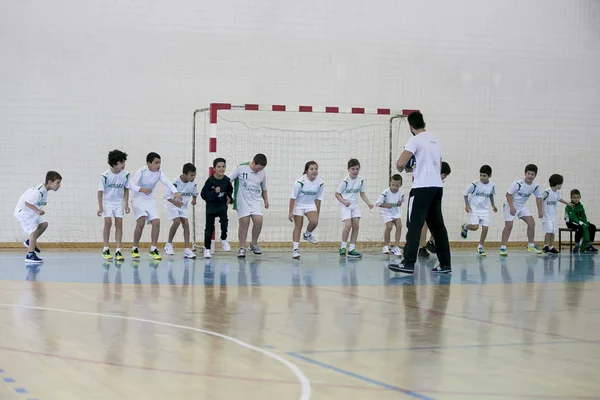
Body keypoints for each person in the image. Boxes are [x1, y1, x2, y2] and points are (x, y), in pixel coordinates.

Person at [388, 111, 451, 274]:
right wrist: (413, 166)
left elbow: (401, 164)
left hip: (421, 188)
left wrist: (402, 166)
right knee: (438, 227)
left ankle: (408, 262)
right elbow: (438, 163)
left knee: (414, 225)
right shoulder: (435, 140)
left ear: (410, 126)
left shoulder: (414, 140)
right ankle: (445, 264)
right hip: (437, 187)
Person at [129, 152, 182, 260]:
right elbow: (131, 184)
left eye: (159, 163)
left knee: (156, 222)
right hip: (137, 199)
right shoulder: (141, 171)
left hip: (149, 200)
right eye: (156, 163)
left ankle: (153, 249)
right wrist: (141, 189)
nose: (158, 165)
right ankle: (135, 248)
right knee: (141, 222)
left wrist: (175, 192)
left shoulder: (159, 173)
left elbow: (168, 183)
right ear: (149, 163)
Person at [15, 171, 62, 263]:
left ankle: (30, 242)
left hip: (31, 212)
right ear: (50, 182)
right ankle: (30, 255)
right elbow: (27, 202)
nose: (59, 185)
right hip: (24, 213)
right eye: (58, 182)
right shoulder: (38, 192)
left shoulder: (44, 190)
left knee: (44, 224)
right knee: (33, 231)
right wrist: (38, 210)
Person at [229, 153, 269, 258]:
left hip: (255, 201)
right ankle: (242, 248)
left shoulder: (262, 173)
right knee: (244, 223)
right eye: (258, 168)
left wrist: (266, 201)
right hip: (242, 201)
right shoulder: (240, 168)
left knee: (258, 221)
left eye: (261, 169)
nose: (258, 170)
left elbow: (264, 189)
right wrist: (227, 196)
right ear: (253, 162)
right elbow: (228, 181)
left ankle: (253, 244)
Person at [499, 164, 543, 256]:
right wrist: (511, 207)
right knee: (509, 226)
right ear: (525, 173)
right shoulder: (518, 183)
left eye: (532, 174)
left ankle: (531, 246)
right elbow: (508, 194)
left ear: (535, 175)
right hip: (509, 204)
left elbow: (539, 198)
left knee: (531, 222)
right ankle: (502, 248)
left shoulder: (536, 186)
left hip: (521, 206)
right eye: (528, 173)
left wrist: (540, 211)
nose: (530, 176)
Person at [335, 158, 374, 258]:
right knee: (348, 225)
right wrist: (344, 201)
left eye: (357, 169)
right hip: (345, 205)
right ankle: (343, 247)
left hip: (355, 205)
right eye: (353, 169)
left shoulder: (360, 180)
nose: (355, 171)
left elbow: (362, 193)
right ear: (348, 169)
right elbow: (337, 194)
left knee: (356, 226)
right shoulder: (345, 181)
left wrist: (368, 203)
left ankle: (351, 249)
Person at [97, 149, 130, 261]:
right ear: (115, 163)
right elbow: (100, 192)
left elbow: (126, 189)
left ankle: (118, 250)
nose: (124, 165)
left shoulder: (126, 175)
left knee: (119, 223)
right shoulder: (104, 176)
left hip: (119, 202)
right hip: (107, 202)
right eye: (122, 162)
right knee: (107, 222)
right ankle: (106, 248)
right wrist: (101, 207)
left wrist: (126, 204)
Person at [288, 161, 324, 259]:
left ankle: (307, 235)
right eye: (312, 169)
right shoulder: (300, 181)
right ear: (307, 170)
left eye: (316, 169)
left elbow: (318, 199)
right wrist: (290, 212)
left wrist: (317, 213)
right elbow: (293, 198)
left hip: (310, 204)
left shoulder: (320, 183)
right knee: (298, 226)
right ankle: (295, 250)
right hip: (298, 205)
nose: (314, 171)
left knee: (314, 221)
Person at [460, 165, 497, 256]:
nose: (482, 177)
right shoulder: (475, 184)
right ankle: (465, 227)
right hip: (474, 208)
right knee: (475, 227)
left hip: (484, 210)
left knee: (485, 228)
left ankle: (480, 247)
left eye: (484, 176)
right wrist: (467, 205)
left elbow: (491, 195)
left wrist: (493, 205)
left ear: (489, 176)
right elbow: (465, 193)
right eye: (481, 175)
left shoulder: (492, 186)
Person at [164, 163, 198, 259]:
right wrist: (175, 204)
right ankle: (169, 244)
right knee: (177, 221)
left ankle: (187, 249)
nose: (193, 177)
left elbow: (194, 192)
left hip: (183, 206)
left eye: (194, 175)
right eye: (191, 175)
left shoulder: (193, 183)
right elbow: (167, 197)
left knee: (186, 224)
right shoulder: (175, 182)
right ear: (184, 174)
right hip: (172, 204)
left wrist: (194, 199)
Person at [201, 157, 233, 259]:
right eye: (219, 167)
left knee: (224, 221)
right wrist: (215, 192)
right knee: (209, 229)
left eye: (223, 166)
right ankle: (207, 249)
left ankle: (223, 239)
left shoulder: (227, 180)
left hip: (222, 206)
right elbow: (203, 195)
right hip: (211, 207)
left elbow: (229, 191)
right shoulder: (210, 181)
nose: (221, 169)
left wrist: (229, 198)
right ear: (214, 168)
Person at [420, 161, 452, 256]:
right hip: (425, 203)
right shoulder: (429, 179)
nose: (444, 177)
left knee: (437, 223)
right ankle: (422, 247)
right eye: (444, 175)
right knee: (424, 224)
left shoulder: (439, 181)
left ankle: (430, 242)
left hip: (433, 204)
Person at [375, 174, 405, 256]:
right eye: (393, 185)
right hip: (386, 212)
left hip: (395, 212)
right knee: (389, 226)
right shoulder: (385, 193)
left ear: (400, 185)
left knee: (399, 226)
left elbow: (401, 202)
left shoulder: (401, 193)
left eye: (397, 185)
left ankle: (396, 246)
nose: (395, 187)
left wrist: (400, 203)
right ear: (390, 184)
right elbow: (377, 204)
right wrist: (386, 205)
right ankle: (385, 246)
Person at [541, 174, 572, 254]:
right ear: (557, 183)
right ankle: (545, 246)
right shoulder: (547, 192)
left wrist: (567, 203)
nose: (561, 185)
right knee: (548, 231)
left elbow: (559, 199)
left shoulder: (557, 192)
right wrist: (540, 211)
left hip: (552, 216)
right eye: (561, 183)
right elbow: (539, 200)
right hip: (546, 216)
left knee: (553, 231)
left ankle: (551, 247)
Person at [565, 189, 598, 253]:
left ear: (580, 197)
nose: (576, 199)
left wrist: (585, 223)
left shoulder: (581, 206)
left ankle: (589, 245)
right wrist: (581, 223)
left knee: (592, 227)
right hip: (571, 222)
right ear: (571, 198)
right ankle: (577, 245)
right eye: (574, 198)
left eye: (577, 197)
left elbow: (583, 216)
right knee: (579, 227)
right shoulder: (569, 206)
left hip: (580, 222)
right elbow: (573, 217)